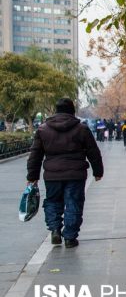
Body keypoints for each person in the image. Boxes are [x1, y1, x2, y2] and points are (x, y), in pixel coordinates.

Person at [26, 99, 103, 248]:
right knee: (73, 203)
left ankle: (55, 229)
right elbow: (93, 152)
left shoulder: (43, 130)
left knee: (53, 202)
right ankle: (69, 237)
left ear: (56, 111)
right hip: (76, 174)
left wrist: (32, 176)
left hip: (52, 175)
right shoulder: (82, 129)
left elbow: (35, 154)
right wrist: (98, 171)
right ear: (72, 111)